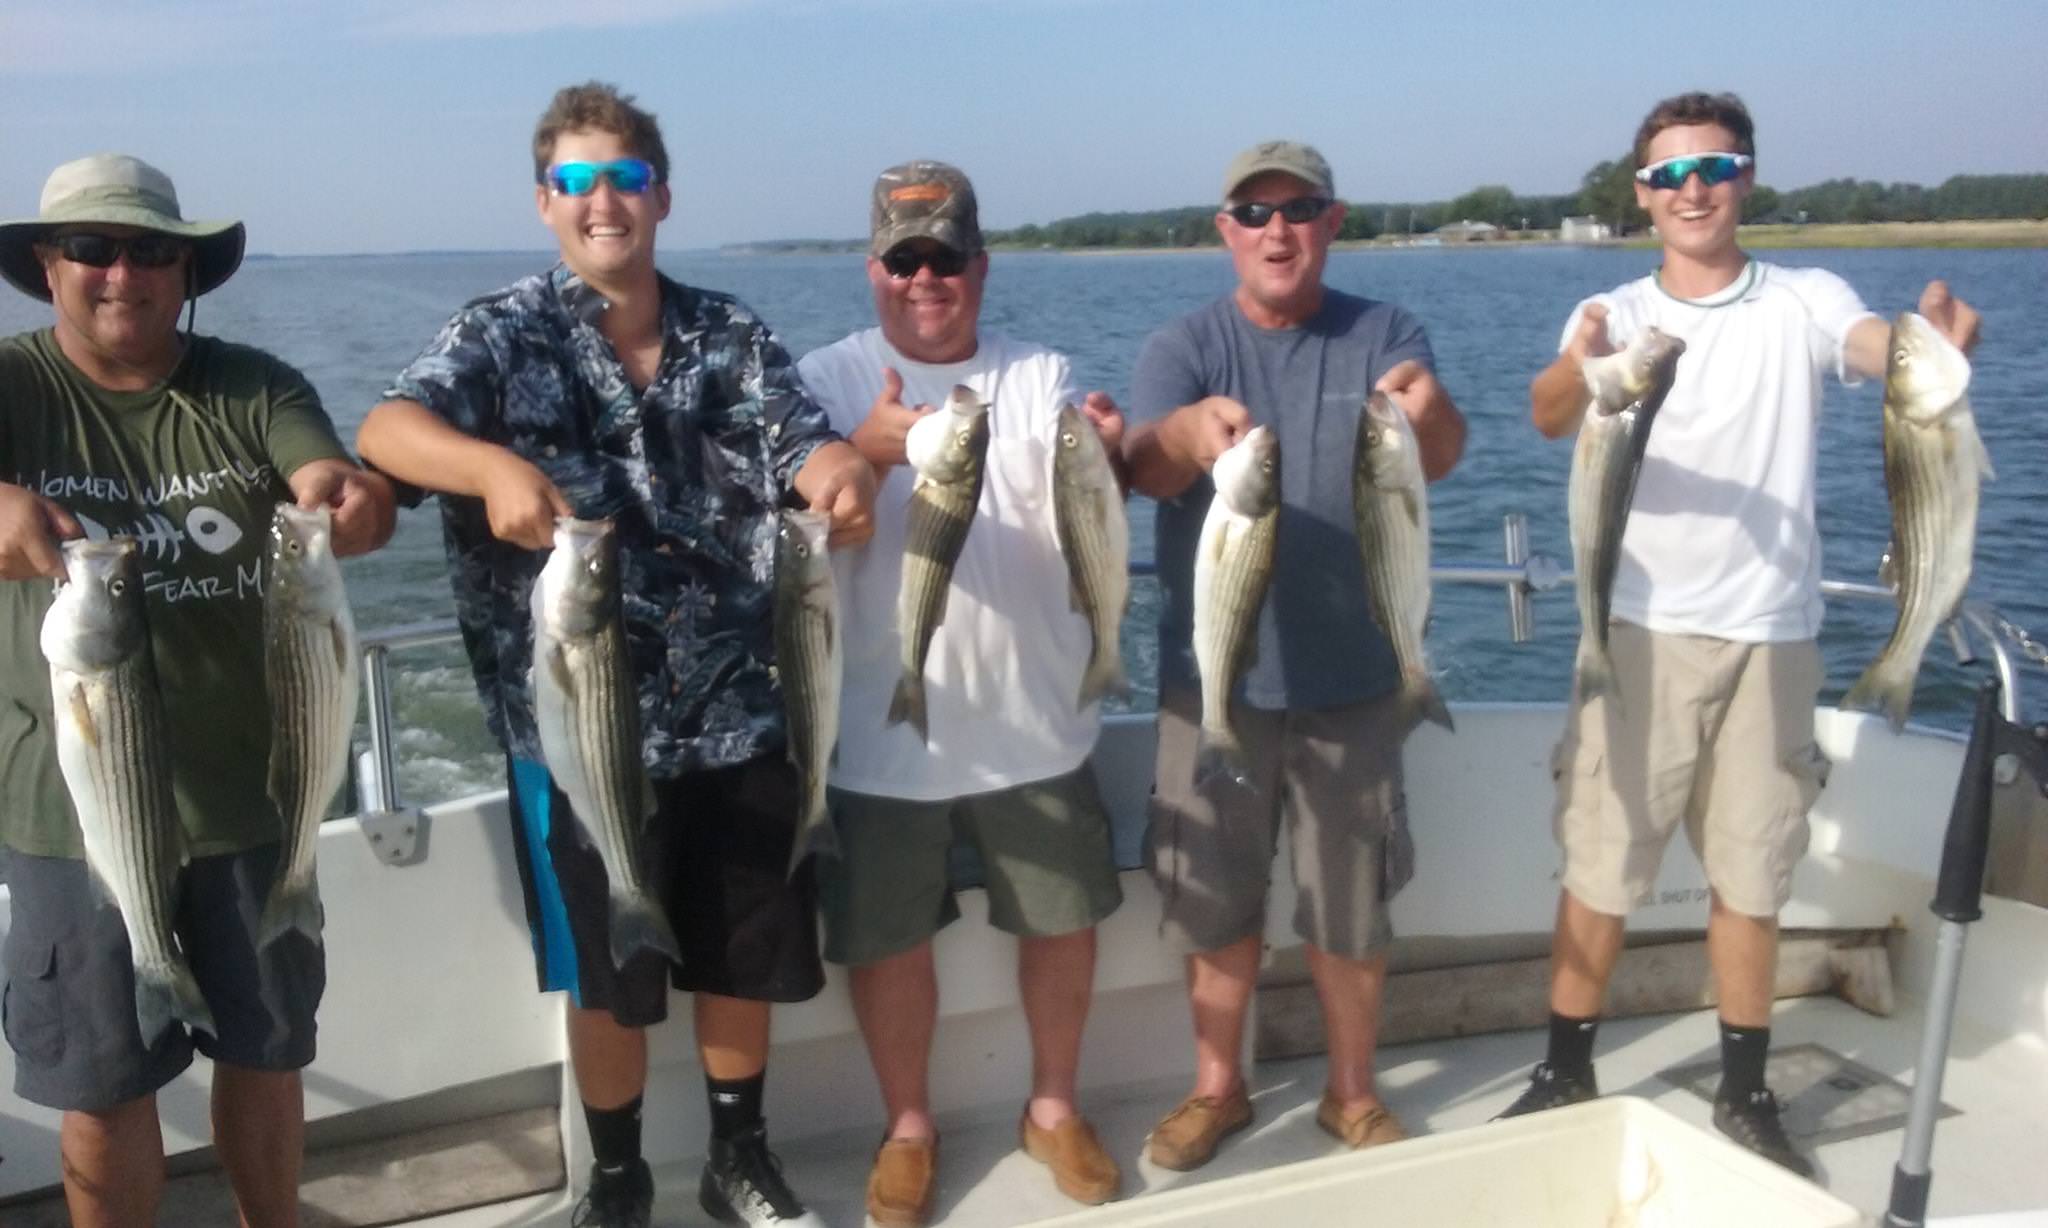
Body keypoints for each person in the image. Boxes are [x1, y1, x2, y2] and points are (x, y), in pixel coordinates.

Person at [355, 83, 874, 1228]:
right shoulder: (499, 333)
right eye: (578, 181)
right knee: (611, 974)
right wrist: (487, 468)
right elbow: (387, 430)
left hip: (744, 706)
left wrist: (840, 473)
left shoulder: (727, 332)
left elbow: (806, 440)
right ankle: (620, 1176)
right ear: (545, 202)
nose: (604, 201)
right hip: (579, 724)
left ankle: (739, 1153)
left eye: (626, 178)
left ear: (663, 196)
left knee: (743, 955)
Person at [1495, 91, 1982, 1177]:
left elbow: (1872, 348)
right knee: (1599, 863)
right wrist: (1581, 366)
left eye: (1712, 167)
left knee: (1750, 876)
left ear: (1746, 178)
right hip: (1634, 631)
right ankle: (1561, 1067)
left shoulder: (1804, 299)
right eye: (1667, 175)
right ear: (1638, 193)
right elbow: (1543, 413)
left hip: (1773, 635)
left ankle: (1744, 1085)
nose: (1690, 190)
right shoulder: (1613, 310)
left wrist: (1923, 341)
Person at [0, 153, 396, 1228]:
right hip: (64, 812)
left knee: (266, 1056)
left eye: (151, 251)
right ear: (48, 264)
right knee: (102, 1087)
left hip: (251, 803)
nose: (121, 271)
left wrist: (343, 499)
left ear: (186, 271)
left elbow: (326, 478)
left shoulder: (252, 385)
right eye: (92, 247)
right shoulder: (13, 384)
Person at [1123, 141, 1468, 1171]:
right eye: (1253, 211)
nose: (1276, 229)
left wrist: (1425, 411)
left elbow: (1436, 458)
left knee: (1347, 900)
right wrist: (1185, 433)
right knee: (1214, 899)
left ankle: (1350, 1093)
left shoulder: (1384, 333)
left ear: (1331, 221)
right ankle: (1216, 1089)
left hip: (1355, 682)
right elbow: (1138, 469)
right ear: (1223, 228)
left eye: (1299, 208)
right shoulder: (1182, 344)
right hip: (1213, 682)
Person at [796, 160, 1127, 1228]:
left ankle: (1054, 1106)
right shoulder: (823, 381)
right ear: (873, 268)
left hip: (1036, 722)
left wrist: (1111, 454)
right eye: (905, 258)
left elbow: (1083, 504)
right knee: (887, 938)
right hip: (874, 732)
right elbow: (797, 528)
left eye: (945, 257)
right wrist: (867, 453)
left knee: (1062, 923)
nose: (925, 278)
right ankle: (907, 1127)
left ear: (980, 267)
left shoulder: (1041, 375)